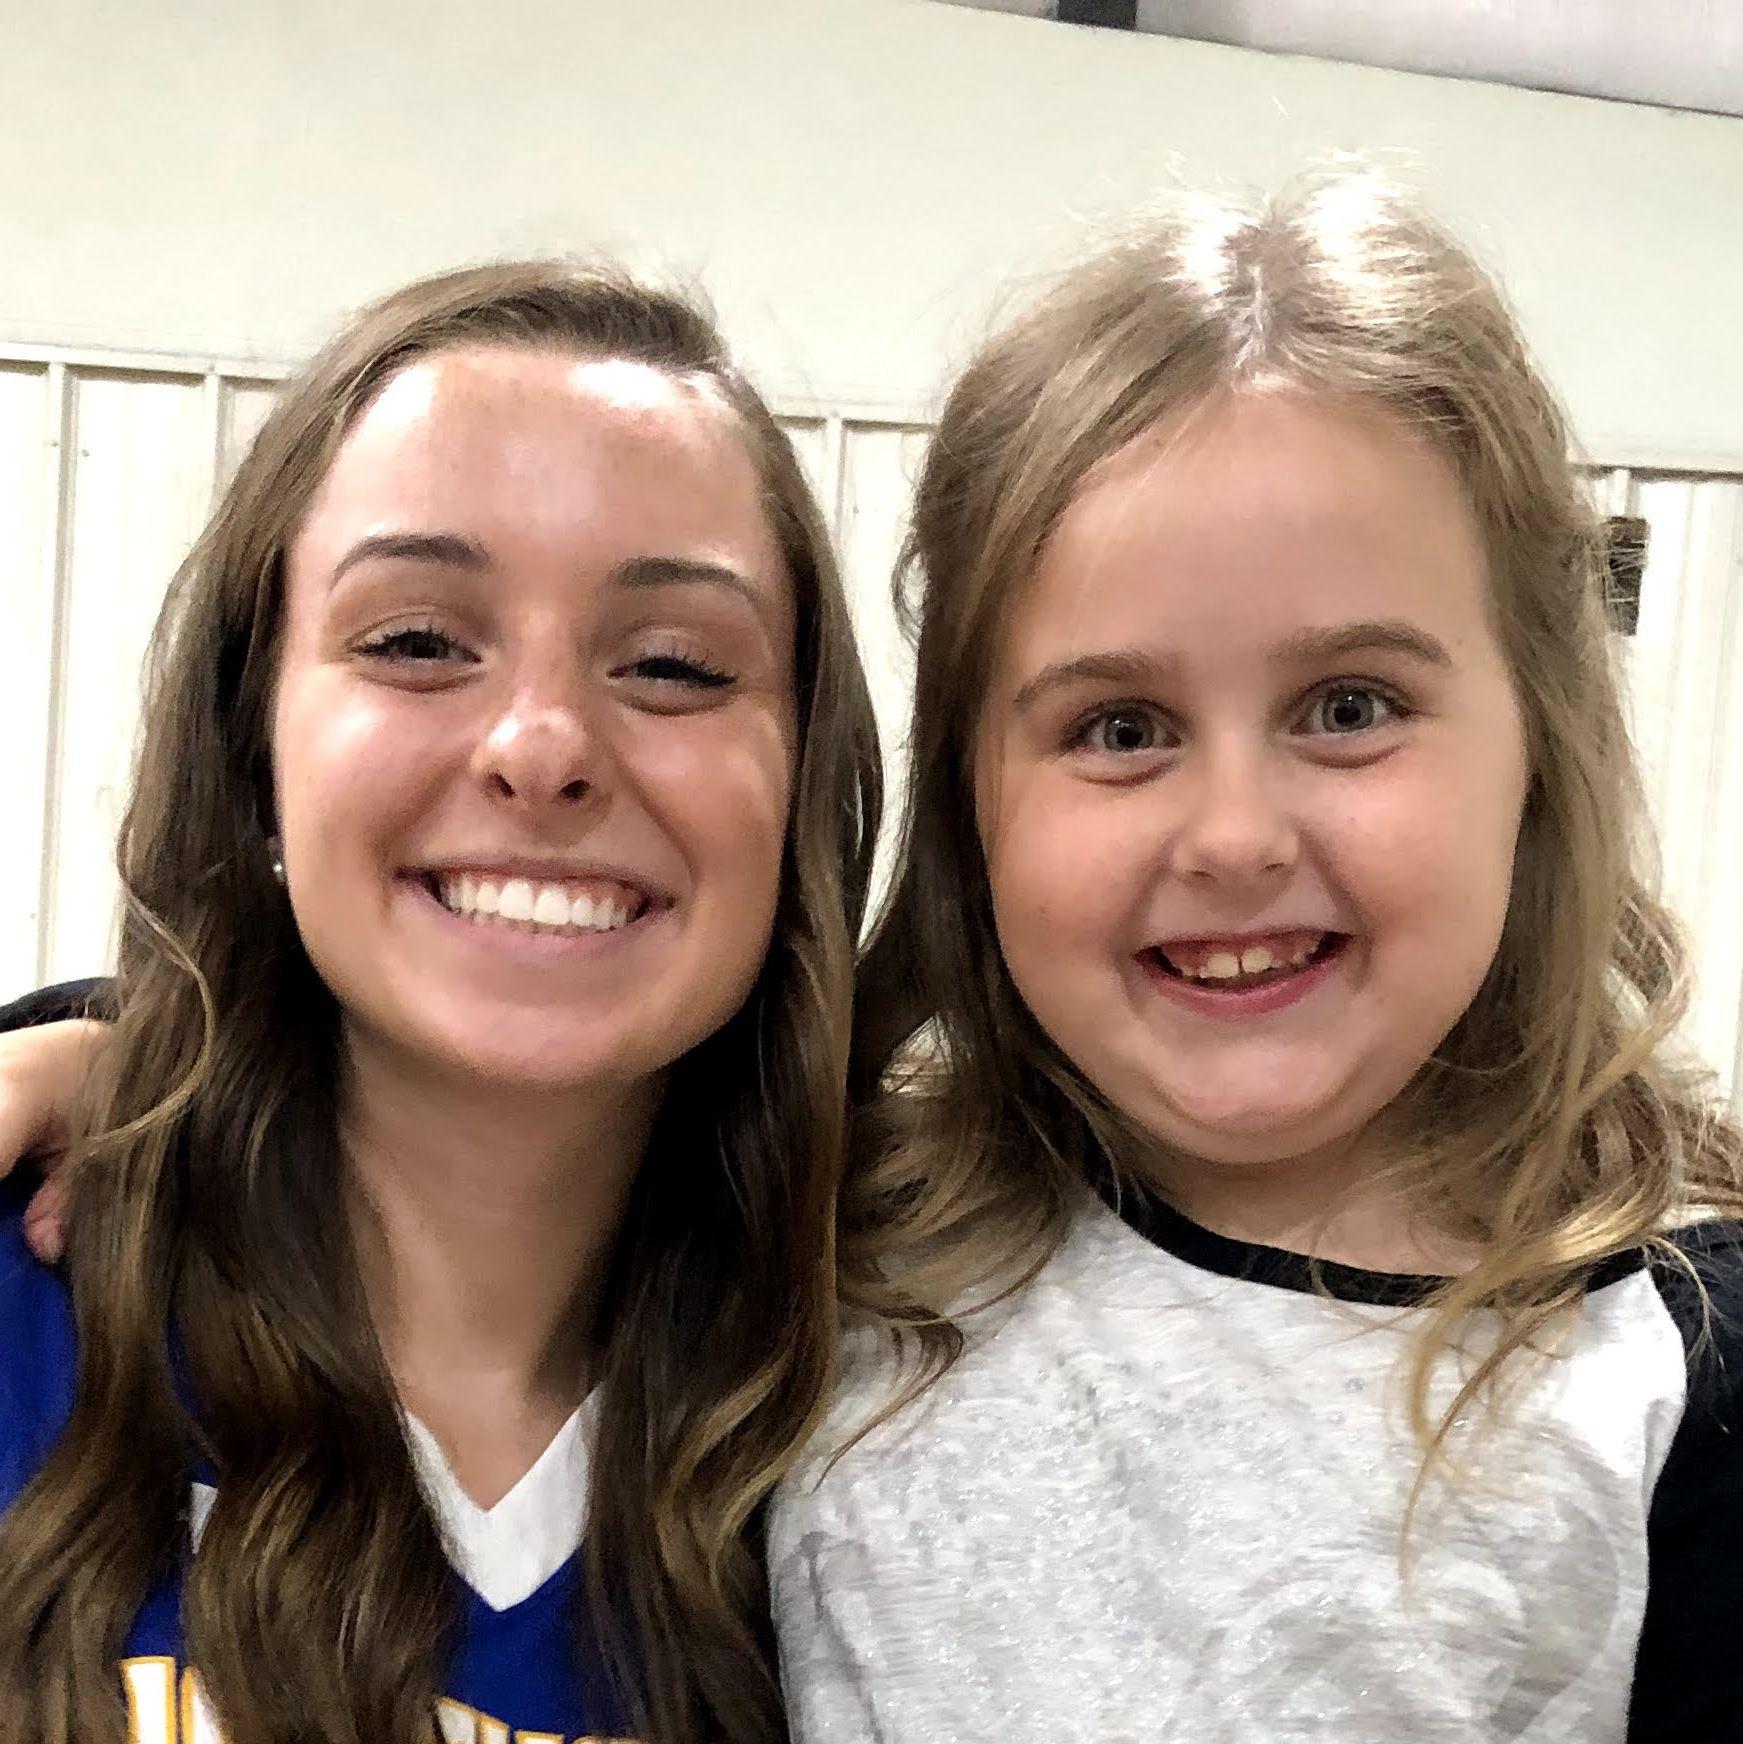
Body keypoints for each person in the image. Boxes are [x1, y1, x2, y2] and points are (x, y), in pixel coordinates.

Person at [768, 175, 1743, 1741]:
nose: (1233, 836)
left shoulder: (1668, 1369)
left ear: (1538, 749)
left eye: (1349, 708)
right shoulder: (826, 1252)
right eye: (1120, 728)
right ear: (973, 803)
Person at [0, 260, 880, 1743]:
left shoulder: (899, 1421)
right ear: (254, 746)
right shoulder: (31, 1296)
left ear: (801, 784)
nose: (543, 747)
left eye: (674, 665)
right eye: (417, 642)